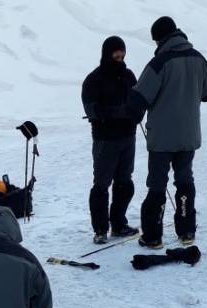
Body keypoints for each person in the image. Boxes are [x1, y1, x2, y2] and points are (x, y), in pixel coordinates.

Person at [128, 16, 207, 248]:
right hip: (188, 136)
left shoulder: (160, 62)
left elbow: (139, 98)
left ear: (160, 38)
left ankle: (153, 236)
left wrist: (131, 111)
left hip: (162, 139)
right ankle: (187, 232)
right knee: (185, 180)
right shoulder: (198, 59)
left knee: (157, 184)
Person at [81, 36, 140, 244]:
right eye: (116, 53)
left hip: (128, 137)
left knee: (125, 183)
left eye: (122, 53)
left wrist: (137, 113)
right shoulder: (93, 80)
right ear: (107, 53)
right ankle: (100, 230)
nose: (120, 56)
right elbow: (91, 109)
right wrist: (120, 112)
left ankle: (118, 224)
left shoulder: (129, 76)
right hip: (105, 140)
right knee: (101, 185)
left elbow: (138, 100)